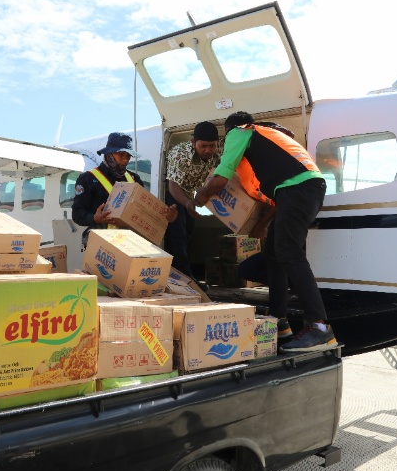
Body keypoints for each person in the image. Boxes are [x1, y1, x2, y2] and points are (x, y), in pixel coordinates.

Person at [195, 111, 335, 352]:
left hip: (298, 190)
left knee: (289, 252)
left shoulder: (240, 132)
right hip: (298, 191)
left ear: (229, 130)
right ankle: (279, 321)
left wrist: (202, 195)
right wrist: (260, 227)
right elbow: (274, 198)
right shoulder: (269, 141)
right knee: (274, 253)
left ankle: (319, 327)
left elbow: (220, 178)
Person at [72, 132, 177, 248]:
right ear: (109, 153)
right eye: (121, 154)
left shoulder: (134, 179)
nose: (125, 160)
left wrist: (166, 216)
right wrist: (94, 218)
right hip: (101, 244)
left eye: (128, 156)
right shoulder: (87, 179)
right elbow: (77, 214)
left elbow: (145, 211)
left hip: (129, 244)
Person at [163, 121, 221, 285]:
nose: (208, 150)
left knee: (189, 234)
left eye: (212, 146)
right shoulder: (180, 153)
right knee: (178, 237)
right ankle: (185, 280)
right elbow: (172, 185)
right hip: (175, 195)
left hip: (190, 195)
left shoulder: (217, 152)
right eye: (203, 146)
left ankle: (183, 275)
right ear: (193, 142)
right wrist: (187, 204)